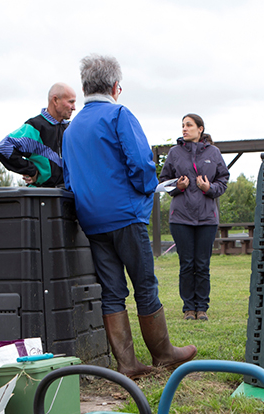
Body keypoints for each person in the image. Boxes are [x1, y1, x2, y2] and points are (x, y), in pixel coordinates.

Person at [62, 54, 196, 378]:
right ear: (115, 87)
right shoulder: (119, 114)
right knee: (144, 285)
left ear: (84, 88)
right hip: (126, 214)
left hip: (91, 220)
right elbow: (140, 163)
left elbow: (69, 177)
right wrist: (147, 190)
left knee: (112, 291)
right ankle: (163, 354)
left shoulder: (70, 128)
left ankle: (127, 363)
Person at [159, 114, 229, 321]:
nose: (184, 129)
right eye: (183, 125)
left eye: (189, 125)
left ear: (200, 129)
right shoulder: (174, 152)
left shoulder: (214, 153)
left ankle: (202, 308)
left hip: (207, 218)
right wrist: (178, 186)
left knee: (202, 264)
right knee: (187, 264)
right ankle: (189, 308)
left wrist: (209, 188)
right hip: (180, 218)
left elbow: (223, 180)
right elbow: (164, 181)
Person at [0, 82, 77, 186]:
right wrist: (31, 170)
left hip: (68, 193)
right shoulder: (35, 127)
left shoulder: (70, 128)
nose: (74, 107)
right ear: (55, 100)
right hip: (40, 193)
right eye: (71, 102)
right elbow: (3, 148)